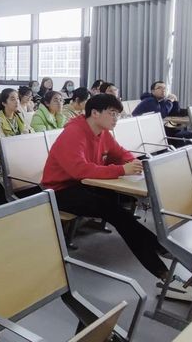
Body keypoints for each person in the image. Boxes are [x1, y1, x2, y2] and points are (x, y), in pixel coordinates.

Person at [41, 94, 169, 280]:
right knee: (115, 212)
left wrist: (134, 163)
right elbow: (80, 170)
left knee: (119, 208)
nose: (116, 118)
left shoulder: (102, 133)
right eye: (112, 113)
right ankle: (160, 261)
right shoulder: (73, 133)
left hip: (84, 185)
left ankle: (160, 253)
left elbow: (120, 153)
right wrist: (121, 170)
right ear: (95, 113)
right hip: (59, 191)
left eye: (118, 114)